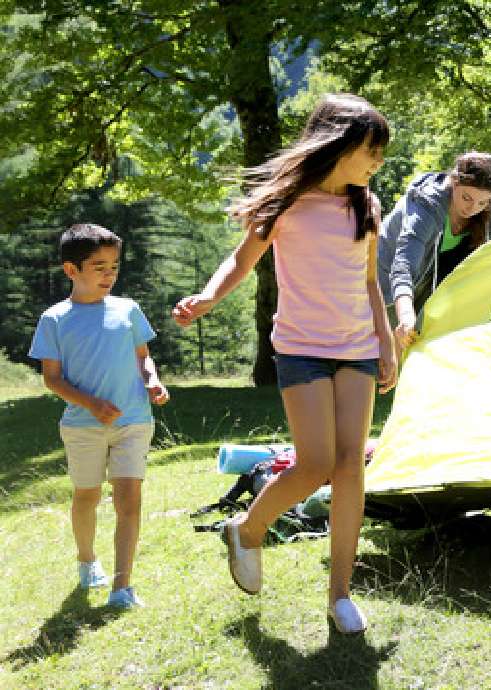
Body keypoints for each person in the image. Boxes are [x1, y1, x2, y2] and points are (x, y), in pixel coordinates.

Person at [172, 93, 397, 634]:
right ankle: (247, 530)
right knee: (316, 463)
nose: (377, 162)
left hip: (358, 347)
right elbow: (242, 259)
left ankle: (340, 594)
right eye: (371, 150)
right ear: (338, 145)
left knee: (350, 468)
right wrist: (208, 297)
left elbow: (370, 282)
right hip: (301, 347)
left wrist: (385, 342)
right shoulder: (287, 203)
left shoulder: (366, 205)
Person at [29, 223, 171, 610]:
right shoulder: (55, 319)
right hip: (82, 427)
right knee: (87, 496)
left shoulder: (128, 310)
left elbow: (143, 357)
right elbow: (52, 379)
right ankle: (87, 561)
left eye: (114, 266)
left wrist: (153, 381)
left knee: (129, 500)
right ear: (71, 270)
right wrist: (92, 404)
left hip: (133, 421)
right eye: (99, 266)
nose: (109, 274)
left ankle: (123, 586)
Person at [377, 151, 491, 351]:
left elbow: (489, 263)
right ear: (454, 182)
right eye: (466, 197)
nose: (473, 208)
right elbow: (403, 266)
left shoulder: (489, 211)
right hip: (387, 285)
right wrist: (406, 317)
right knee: (386, 355)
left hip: (433, 286)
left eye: (482, 203)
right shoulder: (427, 205)